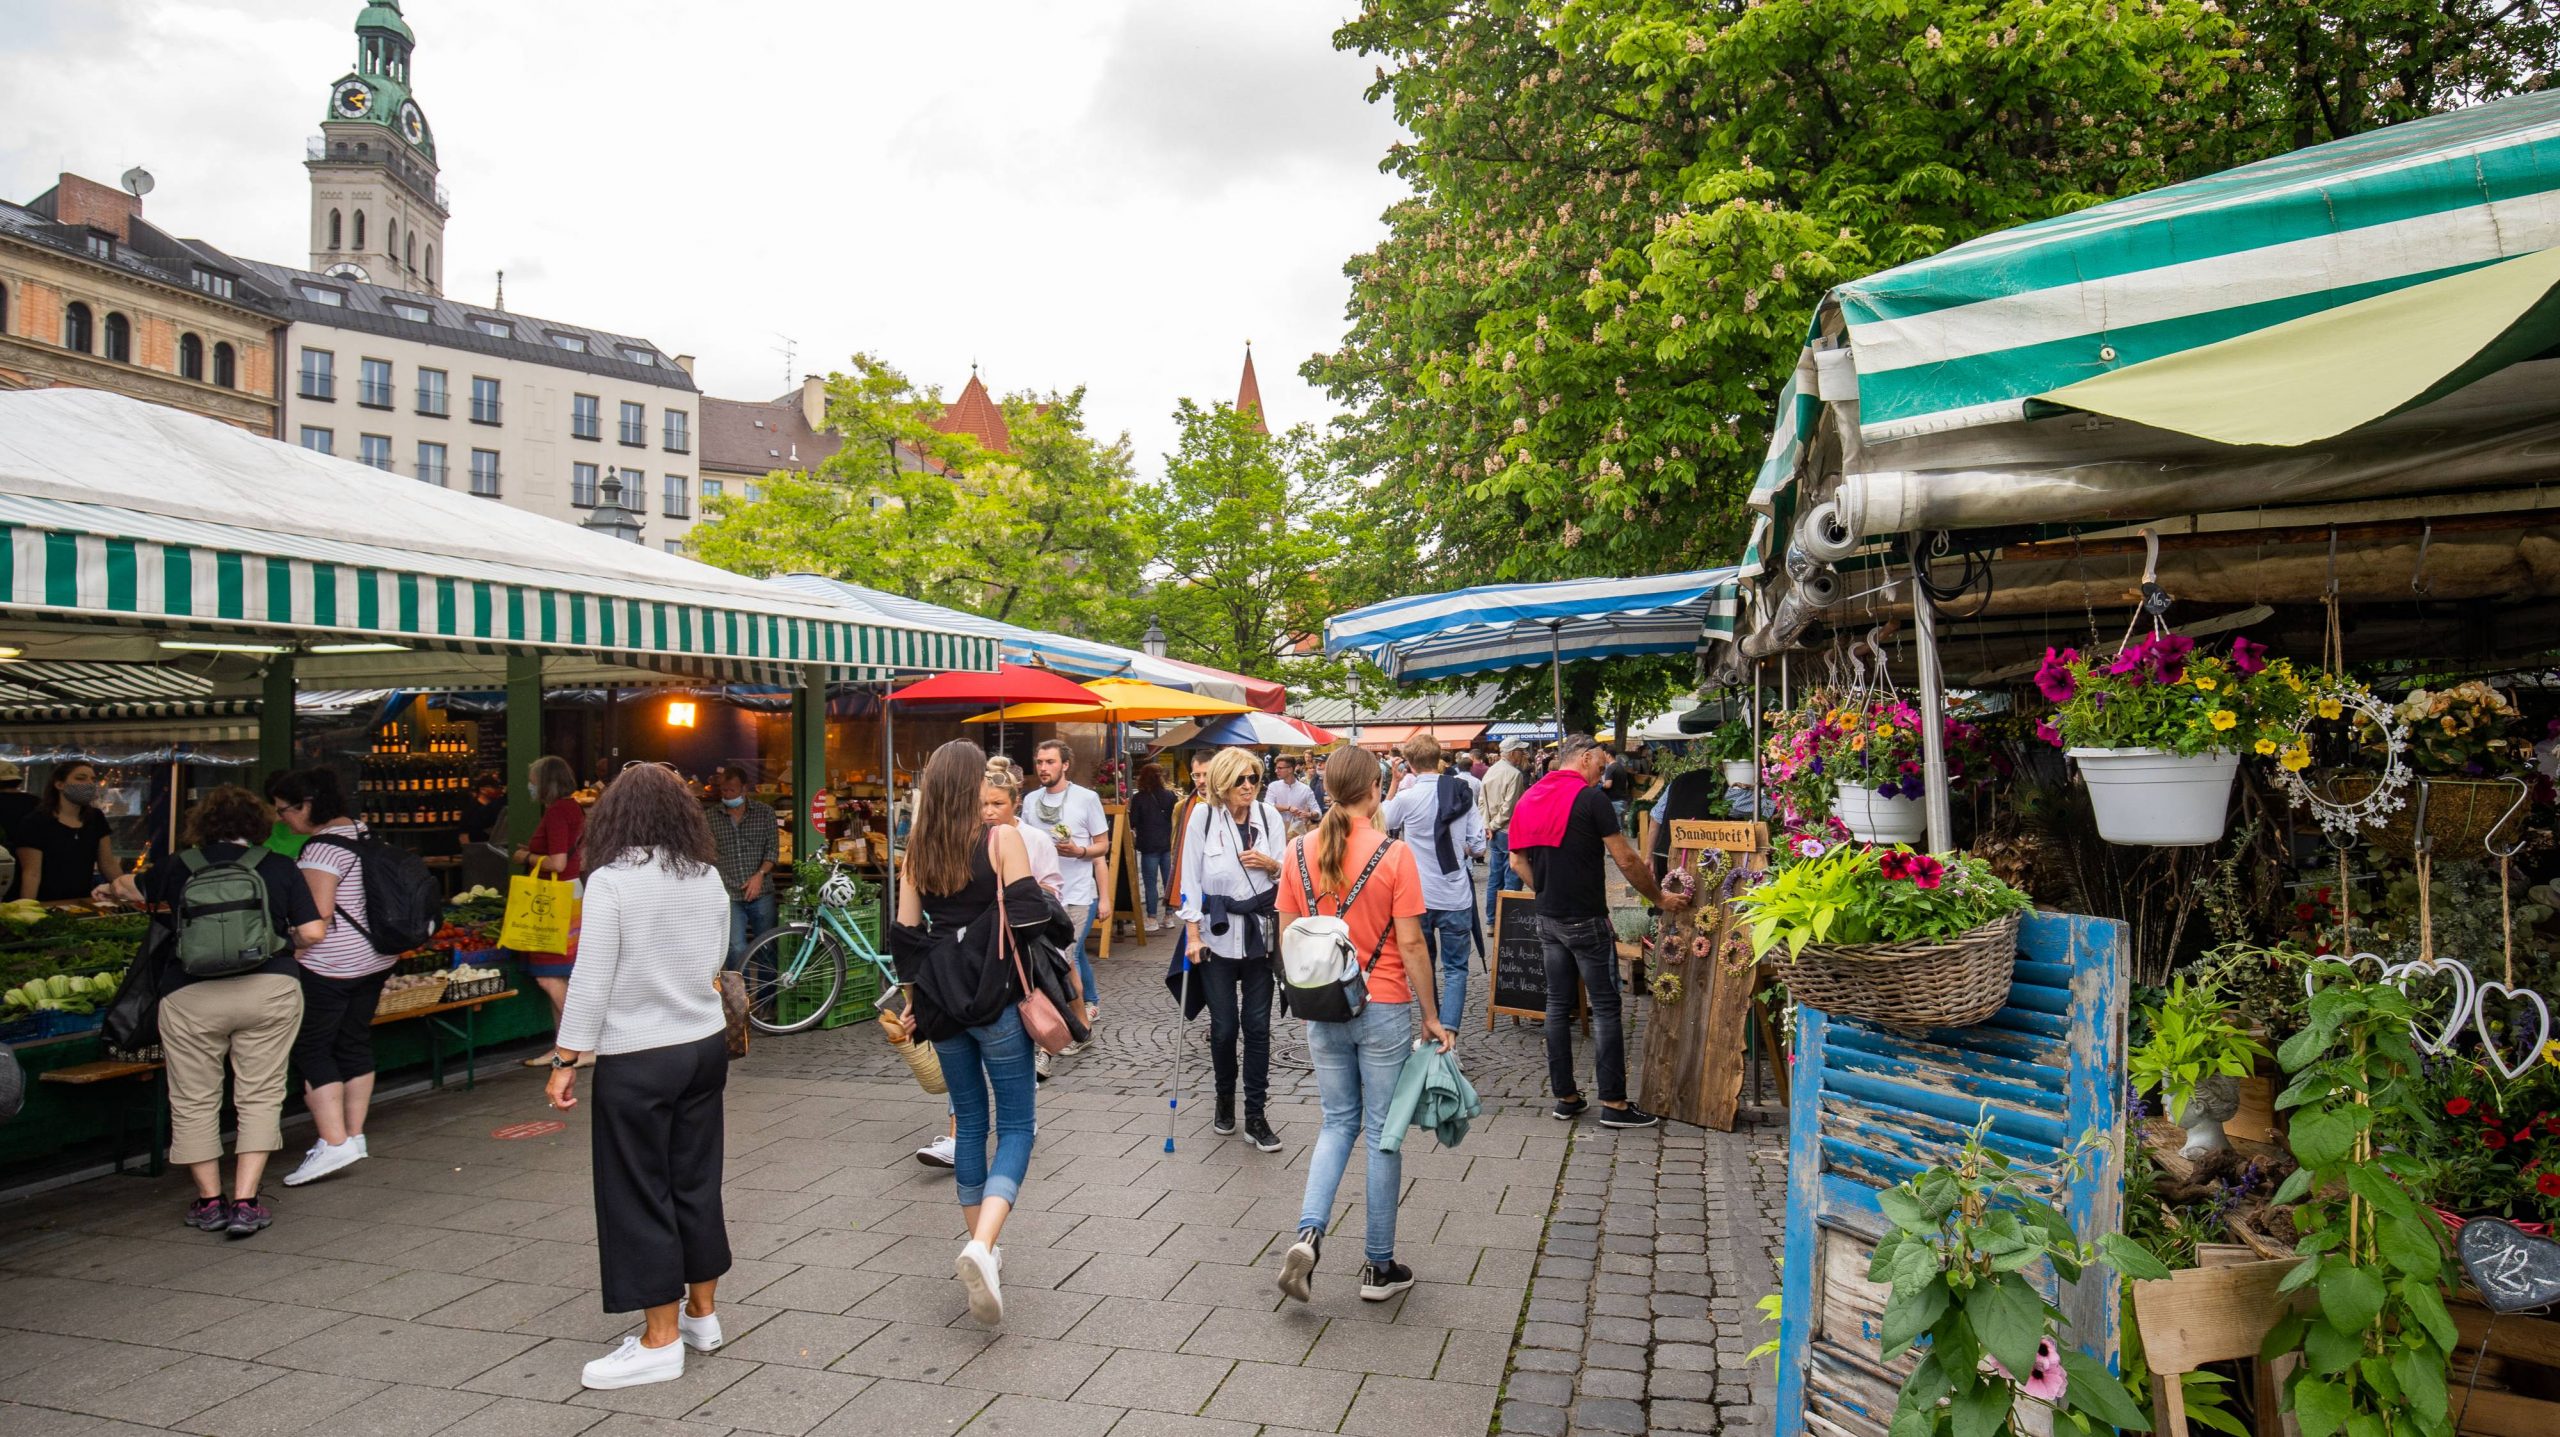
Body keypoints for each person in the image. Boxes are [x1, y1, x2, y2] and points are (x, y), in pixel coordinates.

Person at [540, 763, 735, 1390]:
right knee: (696, 1180)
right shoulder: (706, 876)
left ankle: (659, 1339)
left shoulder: (611, 882)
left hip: (639, 1054)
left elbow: (592, 976)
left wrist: (566, 1059)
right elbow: (717, 958)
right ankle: (702, 1314)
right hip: (703, 1045)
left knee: (638, 1191)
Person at [95, 786, 323, 1239]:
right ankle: (245, 1201)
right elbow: (313, 933)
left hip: (191, 996)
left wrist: (112, 888)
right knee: (259, 1095)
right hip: (269, 990)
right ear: (258, 826)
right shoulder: (277, 866)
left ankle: (208, 1201)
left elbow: (126, 887)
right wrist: (280, 942)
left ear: (203, 824)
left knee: (194, 1098)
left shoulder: (179, 866)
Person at [1274, 746, 1451, 1305]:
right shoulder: (1394, 855)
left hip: (1323, 1005)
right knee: (1381, 1133)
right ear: (1375, 789)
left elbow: (1288, 934)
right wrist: (1431, 1015)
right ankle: (1378, 1266)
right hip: (1384, 1002)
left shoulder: (1297, 852)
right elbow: (1413, 943)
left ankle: (1308, 1232)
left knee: (1335, 1125)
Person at [889, 739, 1052, 1326]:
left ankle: (984, 1249)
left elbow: (905, 940)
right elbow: (1033, 917)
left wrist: (914, 1006)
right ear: (971, 788)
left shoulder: (917, 852)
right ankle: (983, 1245)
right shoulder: (1000, 839)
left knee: (968, 1122)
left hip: (941, 1001)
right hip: (997, 997)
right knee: (1016, 1124)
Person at [1507, 734, 1689, 1129]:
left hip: (1548, 918)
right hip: (1586, 918)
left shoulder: (1531, 797)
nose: (1602, 771)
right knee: (1606, 1007)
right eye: (1601, 762)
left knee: (1556, 1005)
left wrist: (1545, 888)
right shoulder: (1590, 799)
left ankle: (1566, 1098)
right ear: (1586, 757)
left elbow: (1516, 860)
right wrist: (1657, 898)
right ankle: (1614, 1103)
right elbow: (1625, 858)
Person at [271, 768, 400, 1185]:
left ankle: (332, 1141)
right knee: (354, 1040)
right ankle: (354, 1135)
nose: (282, 820)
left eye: (284, 810)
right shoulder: (363, 833)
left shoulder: (320, 850)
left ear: (307, 804)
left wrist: (287, 942)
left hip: (331, 966)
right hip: (376, 960)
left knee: (312, 1047)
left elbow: (317, 921)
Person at [1177, 747, 1286, 1152]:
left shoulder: (1269, 816)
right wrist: (1192, 935)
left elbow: (1286, 875)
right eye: (1240, 779)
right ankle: (1225, 1096)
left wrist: (1271, 865)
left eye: (1254, 778)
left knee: (1258, 1028)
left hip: (1260, 935)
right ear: (1222, 782)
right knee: (1224, 1029)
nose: (1248, 786)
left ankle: (1255, 1114)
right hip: (1216, 936)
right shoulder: (1203, 818)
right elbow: (1189, 880)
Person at [1378, 735, 1484, 1033]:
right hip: (1455, 893)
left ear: (1409, 763)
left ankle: (1430, 1025)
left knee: (1423, 966)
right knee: (1456, 969)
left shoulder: (1408, 798)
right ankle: (1448, 1034)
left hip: (1417, 895)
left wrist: (1395, 783)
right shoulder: (1462, 793)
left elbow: (1381, 821)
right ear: (1440, 757)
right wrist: (1461, 845)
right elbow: (1477, 846)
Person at [1027, 740, 1108, 1030]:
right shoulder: (1030, 801)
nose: (1043, 767)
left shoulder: (1086, 799)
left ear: (1065, 765)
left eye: (1049, 762)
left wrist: (1080, 852)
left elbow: (1103, 845)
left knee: (1067, 953)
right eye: (1039, 762)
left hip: (1077, 893)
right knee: (1070, 951)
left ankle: (1075, 1016)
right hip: (1041, 895)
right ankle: (1088, 1000)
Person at [513, 756, 586, 1066]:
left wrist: (525, 856)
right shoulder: (574, 808)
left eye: (533, 780)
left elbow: (556, 862)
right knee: (560, 976)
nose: (530, 786)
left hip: (555, 901)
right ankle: (561, 1050)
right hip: (571, 893)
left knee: (548, 977)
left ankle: (579, 1046)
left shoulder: (557, 812)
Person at [11, 761, 121, 902]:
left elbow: (108, 863)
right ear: (59, 785)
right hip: (46, 902)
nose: (88, 784)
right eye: (80, 778)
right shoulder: (35, 822)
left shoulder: (96, 818)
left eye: (93, 780)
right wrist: (27, 908)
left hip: (83, 901)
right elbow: (31, 873)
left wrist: (126, 892)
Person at [708, 764, 779, 968]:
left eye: (732, 790)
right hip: (729, 893)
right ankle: (740, 998)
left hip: (762, 891)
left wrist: (760, 875)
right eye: (724, 790)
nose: (727, 794)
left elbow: (772, 851)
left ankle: (767, 999)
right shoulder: (711, 817)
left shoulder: (764, 813)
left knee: (767, 947)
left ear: (744, 789)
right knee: (735, 947)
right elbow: (708, 854)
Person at [1481, 739, 1531, 925]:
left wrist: (1487, 825)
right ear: (1512, 753)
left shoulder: (1491, 771)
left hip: (1494, 831)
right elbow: (1510, 807)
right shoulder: (1514, 774)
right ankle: (1509, 923)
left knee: (1495, 877)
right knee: (1512, 875)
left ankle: (1492, 921)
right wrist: (1493, 825)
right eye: (1520, 751)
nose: (1522, 754)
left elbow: (1481, 802)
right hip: (1508, 830)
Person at [1128, 761, 1177, 932]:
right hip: (1166, 843)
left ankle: (1151, 918)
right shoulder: (1170, 795)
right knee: (1168, 881)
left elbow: (1132, 821)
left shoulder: (1139, 798)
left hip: (1148, 844)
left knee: (1150, 883)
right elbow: (1175, 818)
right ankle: (1169, 916)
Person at [1266, 754, 1320, 841]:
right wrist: (1288, 808)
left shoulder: (1305, 789)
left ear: (1290, 769)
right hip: (1276, 832)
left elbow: (1317, 812)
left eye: (1280, 768)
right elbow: (1267, 806)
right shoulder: (1273, 786)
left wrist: (1309, 814)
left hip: (1297, 834)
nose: (1276, 771)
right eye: (1276, 768)